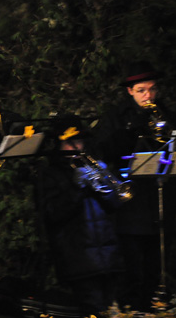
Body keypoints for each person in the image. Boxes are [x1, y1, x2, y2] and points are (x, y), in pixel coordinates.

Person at [92, 61, 176, 311]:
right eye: (142, 90)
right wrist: (131, 129)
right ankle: (129, 307)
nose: (149, 95)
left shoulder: (166, 114)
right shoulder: (116, 116)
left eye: (153, 89)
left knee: (156, 262)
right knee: (131, 264)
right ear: (130, 91)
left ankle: (152, 304)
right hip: (130, 202)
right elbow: (102, 153)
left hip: (159, 198)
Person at [37, 115, 124, 317]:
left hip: (109, 257)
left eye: (79, 141)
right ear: (59, 144)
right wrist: (77, 187)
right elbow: (53, 214)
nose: (77, 146)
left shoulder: (92, 166)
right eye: (70, 142)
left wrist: (106, 183)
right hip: (79, 260)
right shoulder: (50, 174)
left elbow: (115, 204)